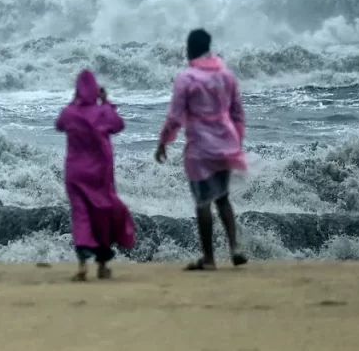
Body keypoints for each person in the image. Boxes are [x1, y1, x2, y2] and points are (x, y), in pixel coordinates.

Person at [156, 28, 249, 271]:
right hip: (226, 143)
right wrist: (236, 142)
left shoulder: (186, 78)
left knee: (203, 202)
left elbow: (175, 117)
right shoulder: (226, 76)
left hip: (200, 148)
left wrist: (163, 142)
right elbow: (238, 113)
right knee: (223, 198)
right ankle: (235, 248)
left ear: (189, 49)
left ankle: (208, 259)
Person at [55, 69, 136, 281]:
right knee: (102, 216)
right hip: (99, 174)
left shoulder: (70, 112)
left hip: (75, 173)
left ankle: (82, 264)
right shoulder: (102, 113)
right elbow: (119, 125)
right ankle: (101, 266)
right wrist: (106, 101)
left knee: (80, 215)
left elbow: (59, 125)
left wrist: (75, 102)